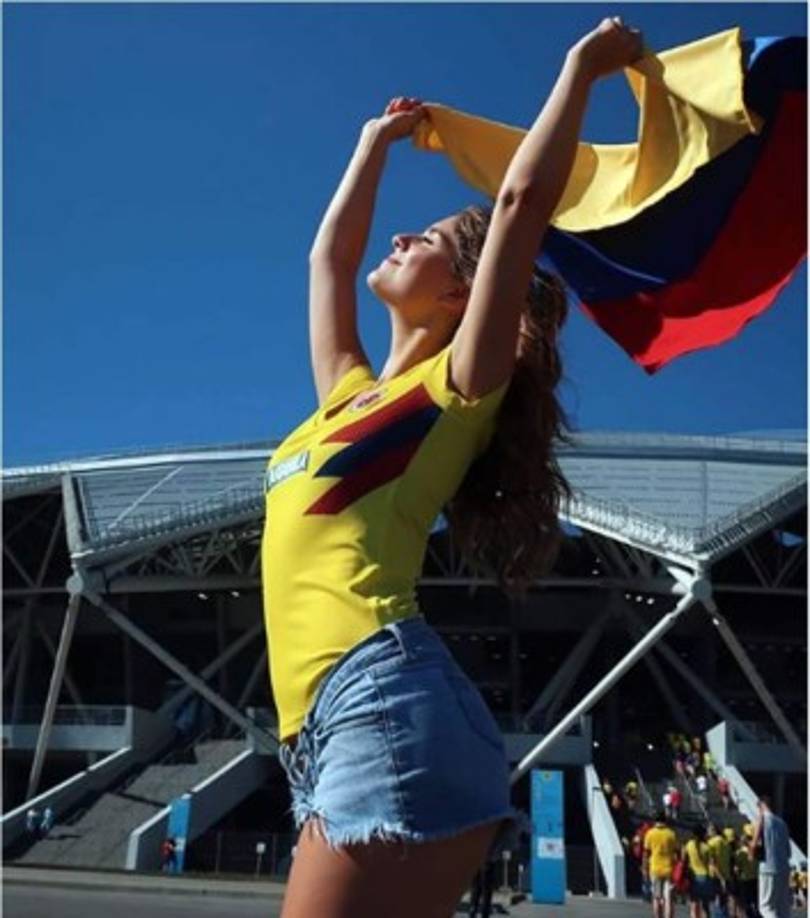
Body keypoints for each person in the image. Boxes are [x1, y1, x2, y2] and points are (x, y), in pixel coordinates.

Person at [262, 18, 643, 918]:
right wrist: (372, 144)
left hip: (378, 698)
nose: (402, 237)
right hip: (320, 729)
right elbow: (329, 259)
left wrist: (581, 70)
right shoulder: (345, 396)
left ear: (462, 294)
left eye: (428, 237)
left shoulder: (456, 385)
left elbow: (517, 204)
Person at [750, 796, 791, 918]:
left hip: (768, 868)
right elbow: (788, 852)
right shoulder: (782, 823)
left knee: (766, 907)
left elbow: (754, 843)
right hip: (784, 868)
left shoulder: (761, 819)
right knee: (782, 906)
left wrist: (751, 850)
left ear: (761, 805)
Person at [643, 811, 679, 918]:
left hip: (655, 868)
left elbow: (646, 853)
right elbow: (676, 852)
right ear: (665, 820)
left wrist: (645, 868)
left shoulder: (650, 833)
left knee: (656, 897)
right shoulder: (671, 834)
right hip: (669, 869)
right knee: (669, 899)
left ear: (655, 821)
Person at [683, 825, 716, 918]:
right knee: (705, 906)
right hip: (705, 877)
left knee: (694, 905)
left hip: (693, 877)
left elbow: (684, 860)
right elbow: (712, 863)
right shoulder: (707, 847)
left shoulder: (689, 845)